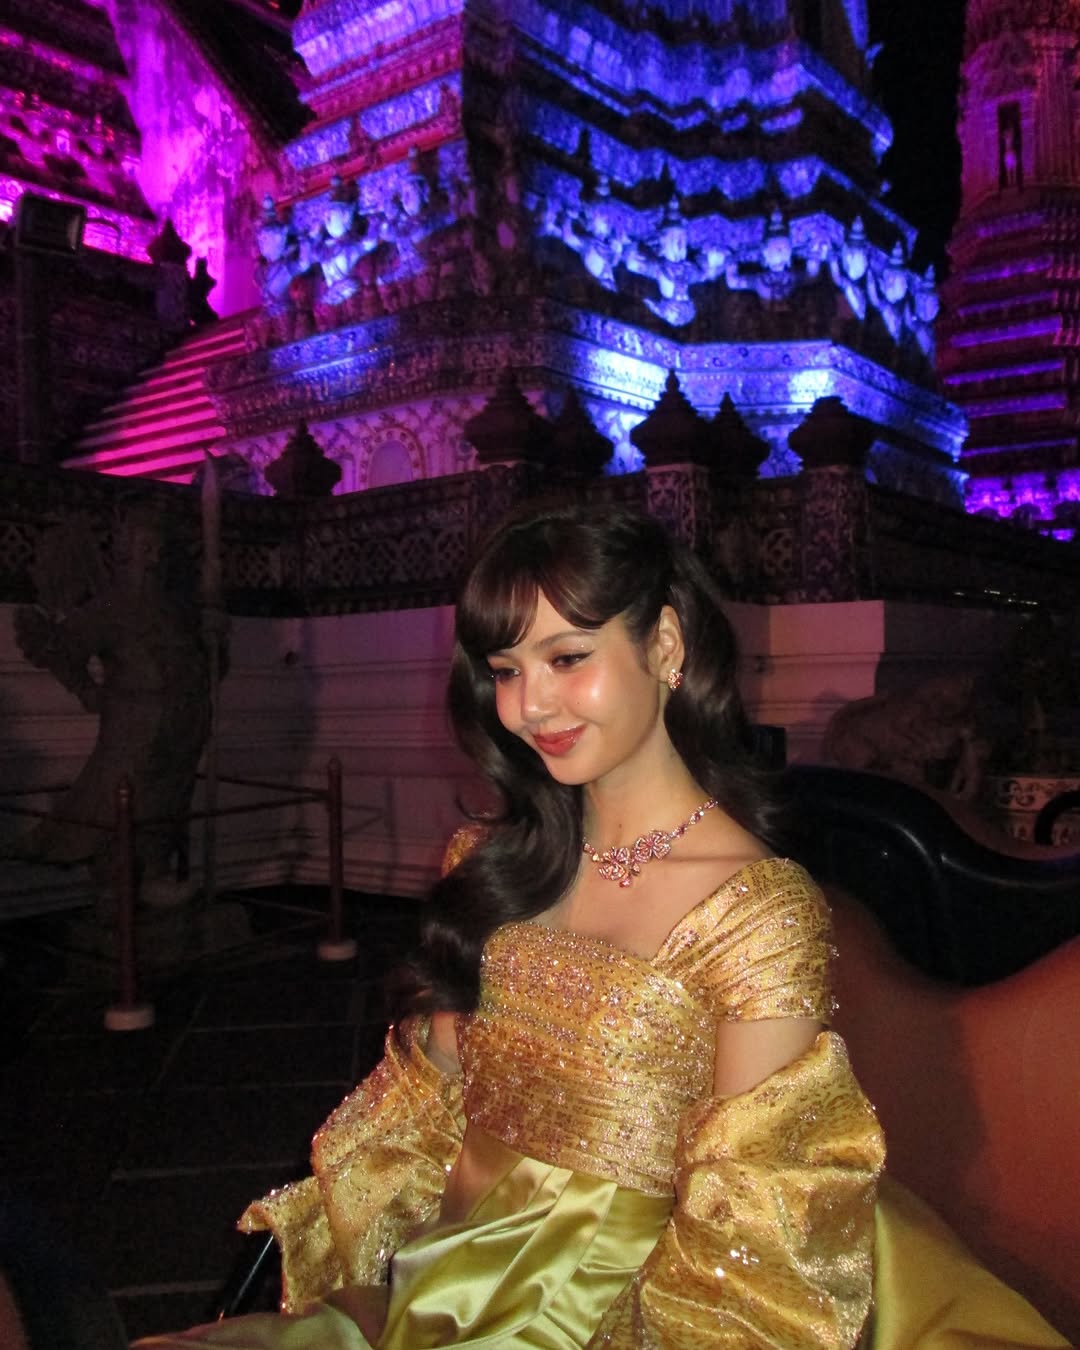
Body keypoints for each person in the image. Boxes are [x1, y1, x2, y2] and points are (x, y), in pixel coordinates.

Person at [137, 503, 1067, 1348]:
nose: (529, 706)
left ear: (664, 644)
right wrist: (357, 1256)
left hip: (641, 1303)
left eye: (567, 658)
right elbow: (421, 1105)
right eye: (506, 670)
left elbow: (747, 1225)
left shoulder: (756, 911)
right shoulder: (490, 863)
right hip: (446, 1287)